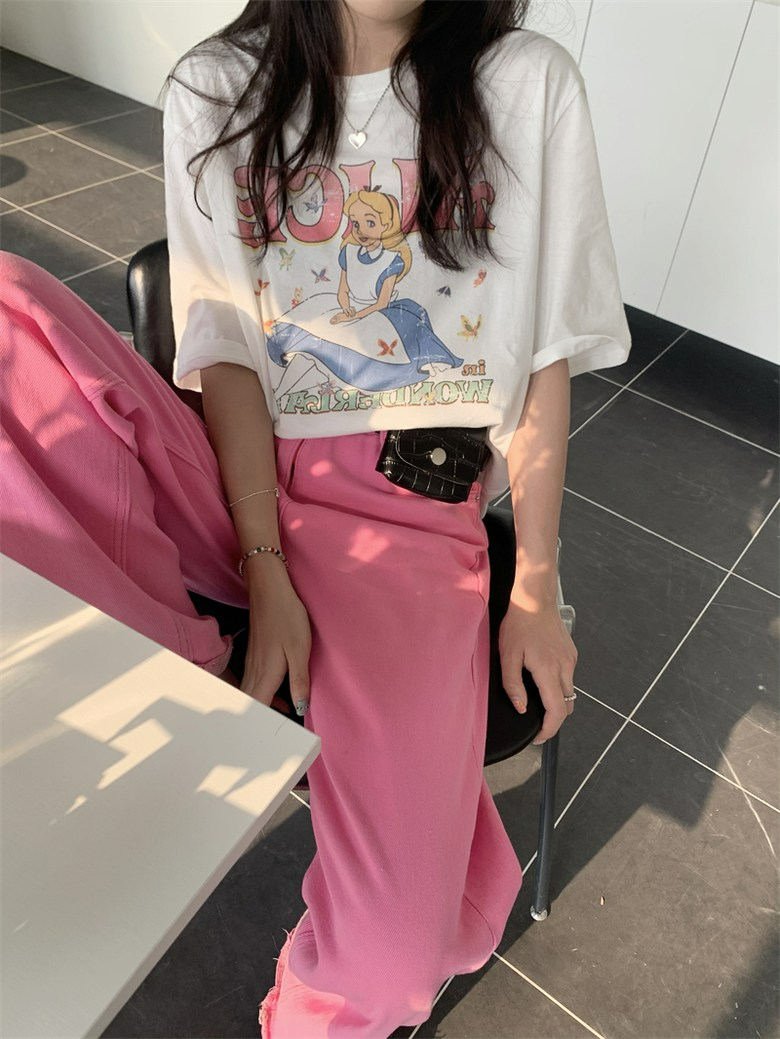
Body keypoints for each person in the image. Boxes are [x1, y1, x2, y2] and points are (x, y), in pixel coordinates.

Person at [0, 1, 631, 1035]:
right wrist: (266, 569)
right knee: (6, 311)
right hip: (233, 475)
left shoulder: (528, 85)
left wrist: (532, 589)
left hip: (405, 508)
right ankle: (193, 663)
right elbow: (227, 354)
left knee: (392, 962)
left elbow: (543, 358)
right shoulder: (217, 88)